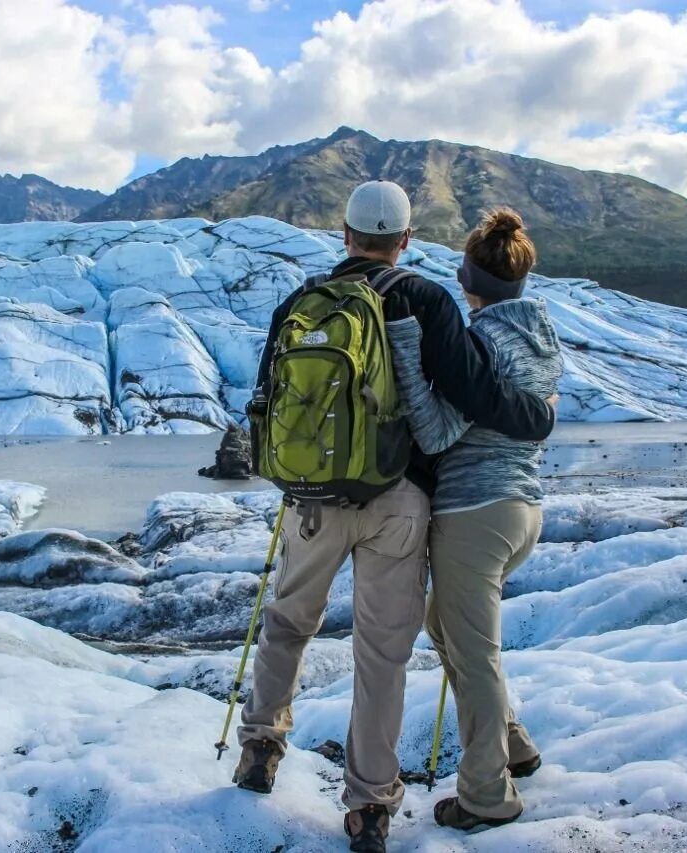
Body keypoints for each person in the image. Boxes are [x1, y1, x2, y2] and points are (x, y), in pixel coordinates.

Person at [233, 182, 557, 853]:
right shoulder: (426, 297)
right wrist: (538, 416)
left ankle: (261, 743)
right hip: (400, 501)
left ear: (344, 234)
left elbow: (264, 400)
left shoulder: (302, 302)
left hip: (314, 499)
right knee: (381, 654)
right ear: (406, 241)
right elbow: (475, 391)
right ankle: (370, 809)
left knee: (289, 620)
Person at [386, 208, 563, 832]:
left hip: (473, 514)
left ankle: (488, 794)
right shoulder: (542, 333)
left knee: (476, 656)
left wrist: (408, 351)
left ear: (466, 277)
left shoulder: (482, 343)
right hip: (521, 512)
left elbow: (435, 434)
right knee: (446, 624)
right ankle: (511, 742)